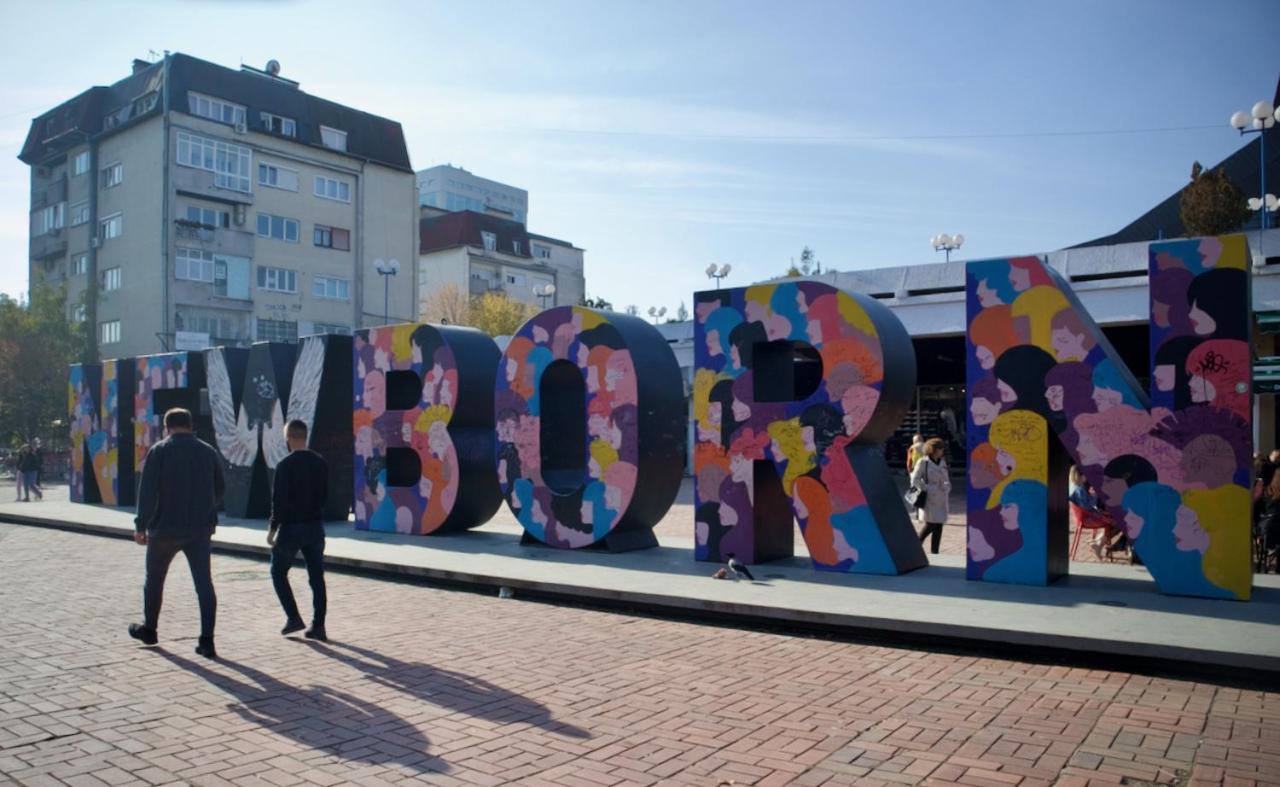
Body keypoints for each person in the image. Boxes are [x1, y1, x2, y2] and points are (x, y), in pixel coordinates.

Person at [129, 408, 225, 658]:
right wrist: (206, 507)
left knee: (155, 580)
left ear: (167, 426)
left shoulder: (159, 451)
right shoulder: (208, 451)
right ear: (190, 425)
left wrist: (141, 525)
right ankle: (207, 640)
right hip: (199, 529)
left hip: (164, 528)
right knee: (204, 583)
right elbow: (221, 489)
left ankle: (150, 629)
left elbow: (147, 492)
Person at [268, 419, 329, 641]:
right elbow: (324, 496)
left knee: (278, 572)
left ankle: (293, 617)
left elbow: (279, 501)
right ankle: (319, 625)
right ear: (305, 436)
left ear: (290, 438)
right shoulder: (320, 462)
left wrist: (272, 529)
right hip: (314, 525)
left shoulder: (285, 465)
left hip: (291, 528)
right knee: (316, 577)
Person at [910, 437, 950, 554]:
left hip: (942, 497)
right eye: (940, 448)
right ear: (934, 449)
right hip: (930, 498)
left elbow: (946, 478)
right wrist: (927, 488)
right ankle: (915, 548)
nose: (942, 451)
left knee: (939, 525)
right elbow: (915, 479)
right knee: (930, 524)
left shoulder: (942, 462)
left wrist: (947, 487)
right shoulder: (923, 462)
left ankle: (935, 552)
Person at [1069, 465, 1115, 558]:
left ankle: (1098, 541)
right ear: (1081, 476)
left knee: (1113, 519)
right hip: (1088, 518)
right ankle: (1099, 542)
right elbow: (1087, 506)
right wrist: (1095, 495)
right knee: (1116, 522)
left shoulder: (1073, 486)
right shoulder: (1079, 490)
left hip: (1081, 517)